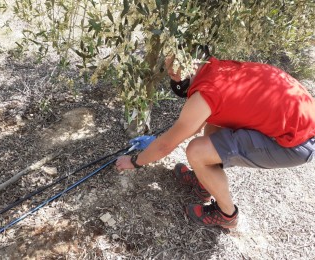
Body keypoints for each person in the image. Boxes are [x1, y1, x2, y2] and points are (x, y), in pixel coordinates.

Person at [115, 46, 315, 229]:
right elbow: (196, 124)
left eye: (173, 70)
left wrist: (135, 162)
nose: (172, 77)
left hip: (295, 142)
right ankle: (204, 183)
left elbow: (165, 146)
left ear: (190, 65)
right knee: (214, 121)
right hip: (302, 119)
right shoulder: (218, 68)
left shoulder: (206, 94)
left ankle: (227, 215)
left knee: (196, 151)